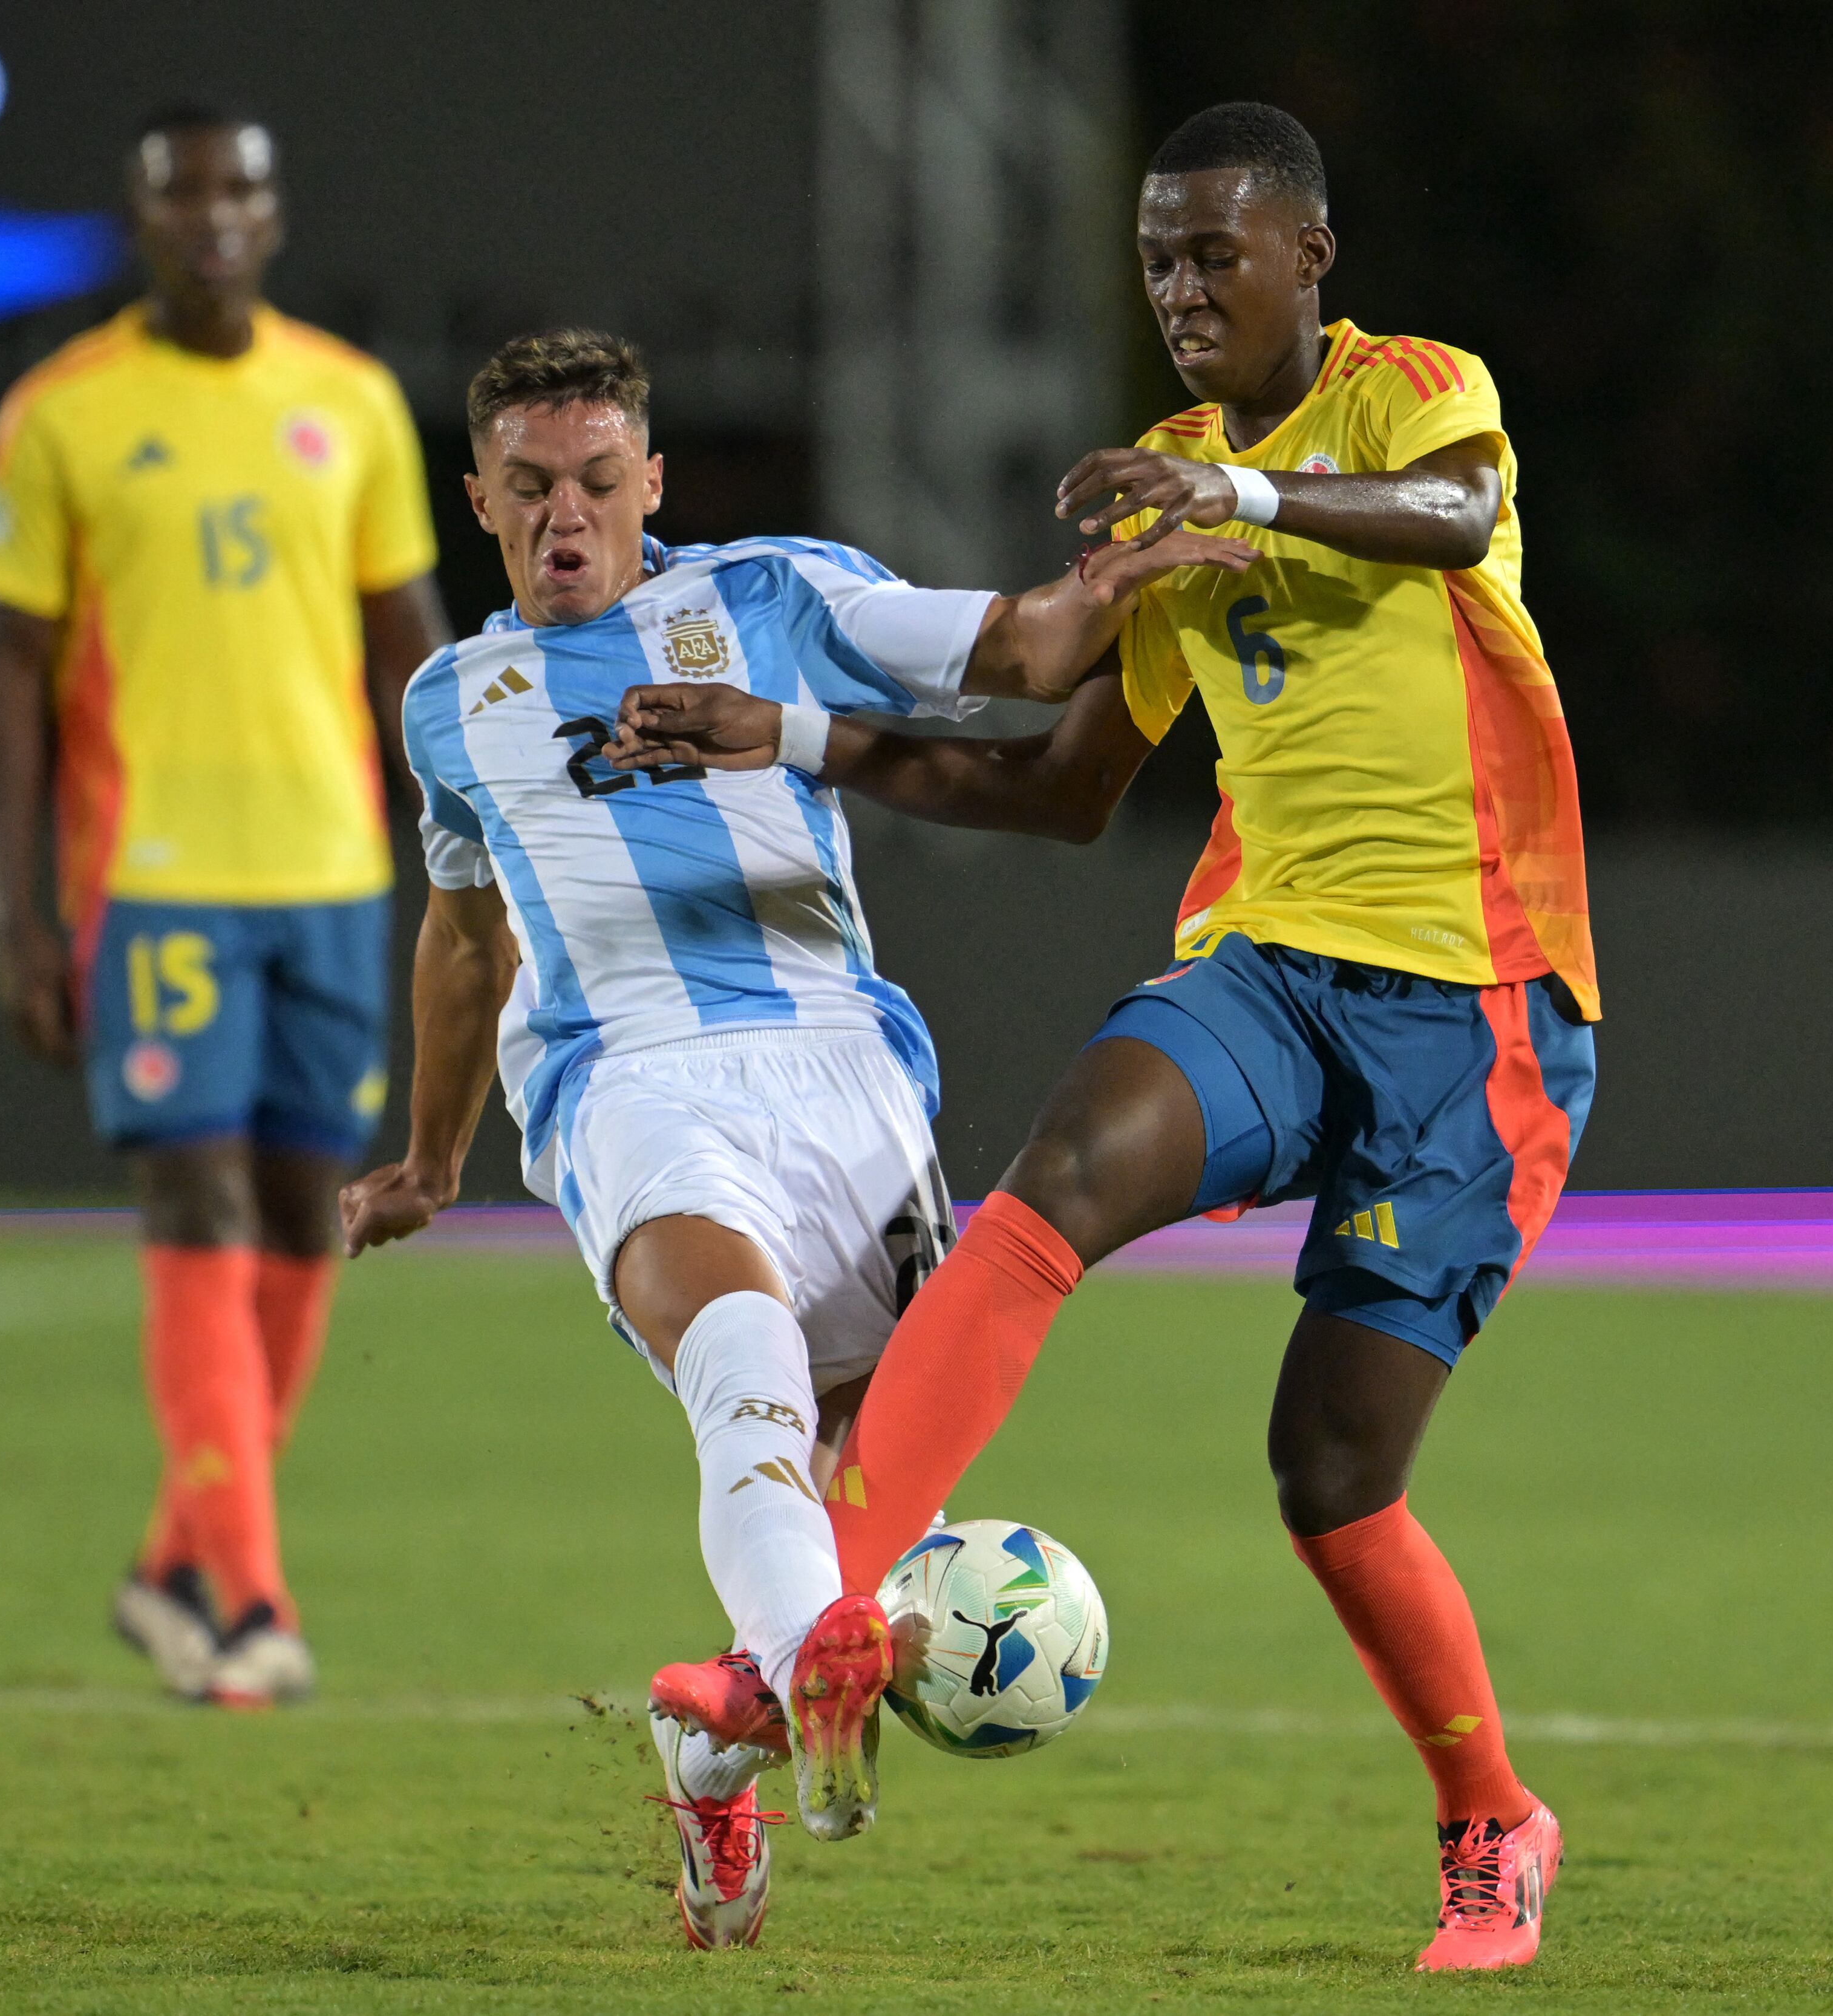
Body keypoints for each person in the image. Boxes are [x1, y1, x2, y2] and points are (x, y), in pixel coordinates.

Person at [614, 101, 1598, 1972]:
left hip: (1478, 1010)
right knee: (1054, 1175)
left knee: (1330, 1473)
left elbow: (1456, 517)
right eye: (1154, 257)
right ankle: (815, 1623)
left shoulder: (1408, 397)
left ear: (1308, 254)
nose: (1178, 288)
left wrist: (1248, 502)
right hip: (1271, 972)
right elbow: (1072, 785)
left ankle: (1491, 1818)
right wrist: (796, 740)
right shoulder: (1164, 476)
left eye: (1213, 251)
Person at [333, 329, 1240, 1948]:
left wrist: (1133, 575)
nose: (566, 514)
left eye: (600, 482)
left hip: (847, 1077)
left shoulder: (775, 595)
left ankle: (723, 1729)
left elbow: (1021, 652)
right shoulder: (450, 703)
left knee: (857, 1465)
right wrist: (430, 1154)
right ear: (476, 495)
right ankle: (814, 1667)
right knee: (735, 1352)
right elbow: (466, 938)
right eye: (530, 486)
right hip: (630, 1080)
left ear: (653, 482)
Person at [0, 105, 449, 1707]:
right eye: (184, 195)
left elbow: (407, 650)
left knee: (305, 1216)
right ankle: (246, 1595)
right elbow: (8, 676)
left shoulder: (353, 400)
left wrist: (475, 839)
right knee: (197, 1207)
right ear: (145, 218)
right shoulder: (64, 415)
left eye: (240, 186)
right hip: (154, 881)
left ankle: (180, 1551)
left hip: (332, 870)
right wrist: (17, 912)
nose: (214, 217)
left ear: (275, 208)